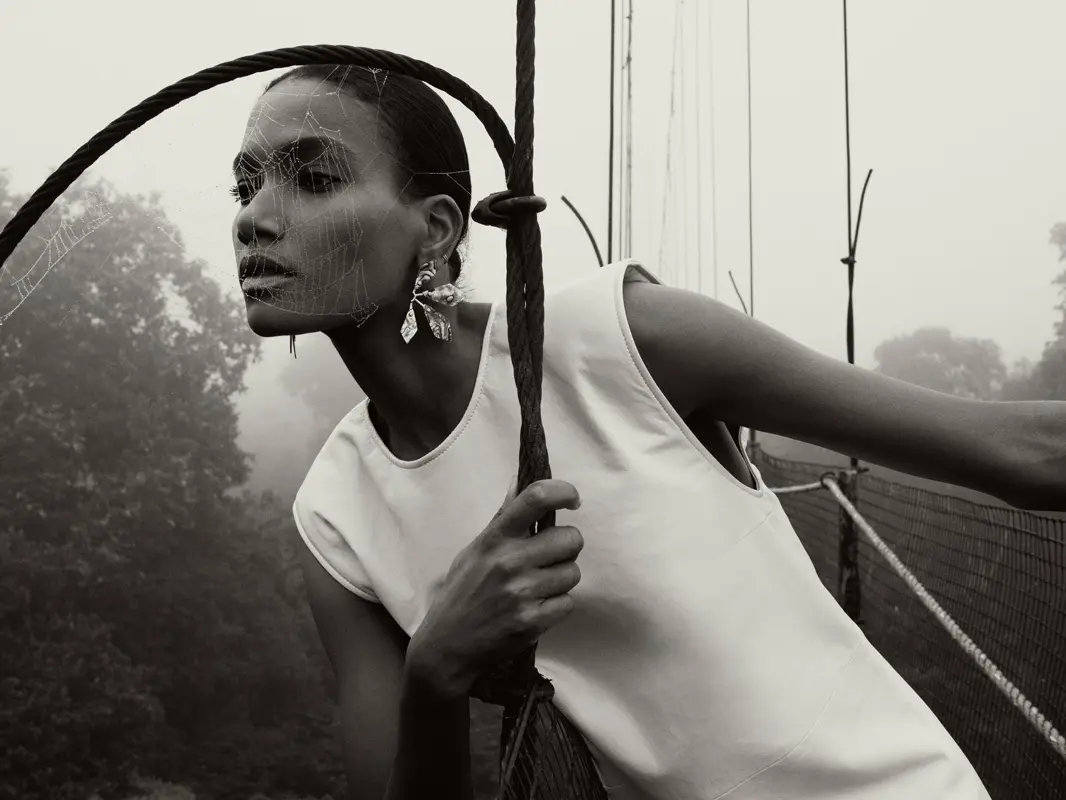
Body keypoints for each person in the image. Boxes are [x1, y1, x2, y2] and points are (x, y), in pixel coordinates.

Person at [230, 64, 1064, 800]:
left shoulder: (620, 339)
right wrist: (435, 674)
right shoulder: (336, 516)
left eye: (313, 178)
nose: (254, 219)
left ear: (438, 229)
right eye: (245, 186)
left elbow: (1018, 452)